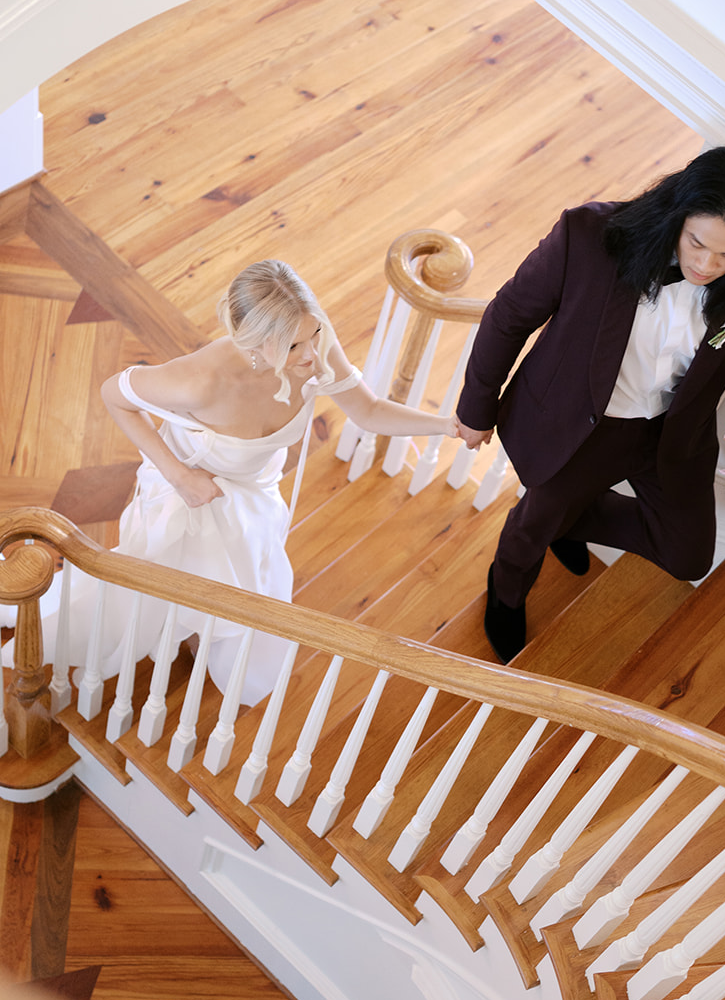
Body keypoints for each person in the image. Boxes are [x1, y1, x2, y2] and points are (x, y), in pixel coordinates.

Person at [13, 260, 459, 707]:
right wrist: (180, 476)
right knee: (154, 586)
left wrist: (445, 426)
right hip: (187, 494)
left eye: (314, 334)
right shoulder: (200, 380)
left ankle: (200, 634)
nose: (311, 356)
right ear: (253, 344)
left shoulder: (314, 346)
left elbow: (369, 410)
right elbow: (115, 396)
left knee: (243, 583)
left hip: (254, 495)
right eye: (293, 346)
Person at [455, 148, 725, 662]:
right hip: (581, 426)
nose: (706, 266)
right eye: (696, 243)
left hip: (671, 434)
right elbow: (507, 317)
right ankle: (504, 592)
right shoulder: (588, 236)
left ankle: (566, 520)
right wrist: (476, 407)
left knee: (688, 555)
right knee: (533, 527)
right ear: (677, 212)